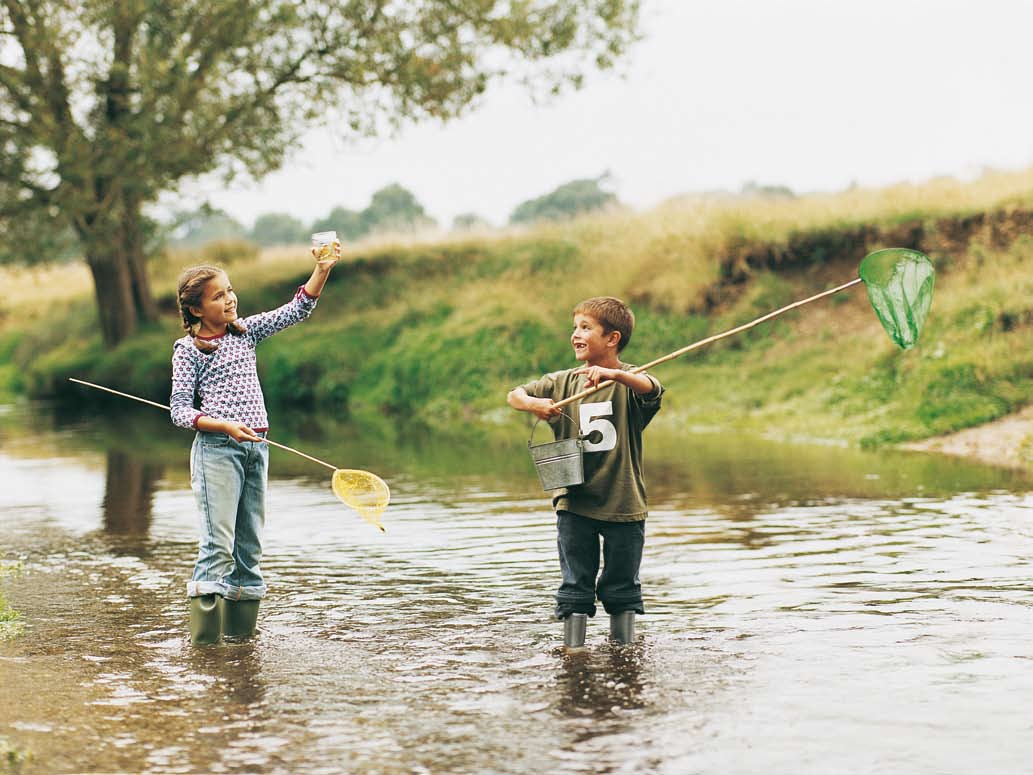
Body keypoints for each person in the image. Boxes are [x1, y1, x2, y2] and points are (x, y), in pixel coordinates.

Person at [170, 243, 340, 644]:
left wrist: (323, 268)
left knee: (249, 549)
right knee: (218, 545)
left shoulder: (245, 333)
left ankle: (241, 646)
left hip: (257, 450)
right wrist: (223, 426)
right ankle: (205, 650)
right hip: (217, 452)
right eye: (218, 296)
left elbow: (297, 308)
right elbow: (179, 411)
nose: (229, 299)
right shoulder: (188, 350)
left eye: (230, 290)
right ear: (196, 310)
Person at [507, 296, 664, 646]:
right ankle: (573, 655)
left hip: (624, 504)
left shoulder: (628, 383)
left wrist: (616, 375)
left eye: (585, 328)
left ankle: (623, 653)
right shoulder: (562, 382)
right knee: (575, 586)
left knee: (623, 587)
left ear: (613, 339)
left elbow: (652, 388)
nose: (575, 334)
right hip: (574, 504)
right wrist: (533, 403)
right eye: (574, 327)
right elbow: (514, 394)